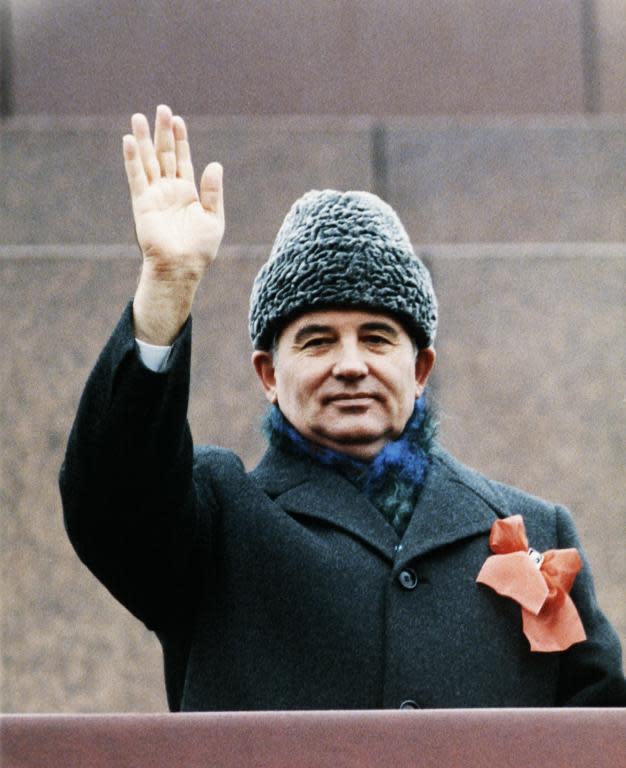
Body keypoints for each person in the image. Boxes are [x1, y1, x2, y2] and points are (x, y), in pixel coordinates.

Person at [60, 105, 626, 710]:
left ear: (420, 370)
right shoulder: (216, 517)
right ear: (269, 374)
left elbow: (602, 723)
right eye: (317, 339)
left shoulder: (534, 530)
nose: (350, 363)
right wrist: (167, 286)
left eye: (377, 337)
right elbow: (111, 502)